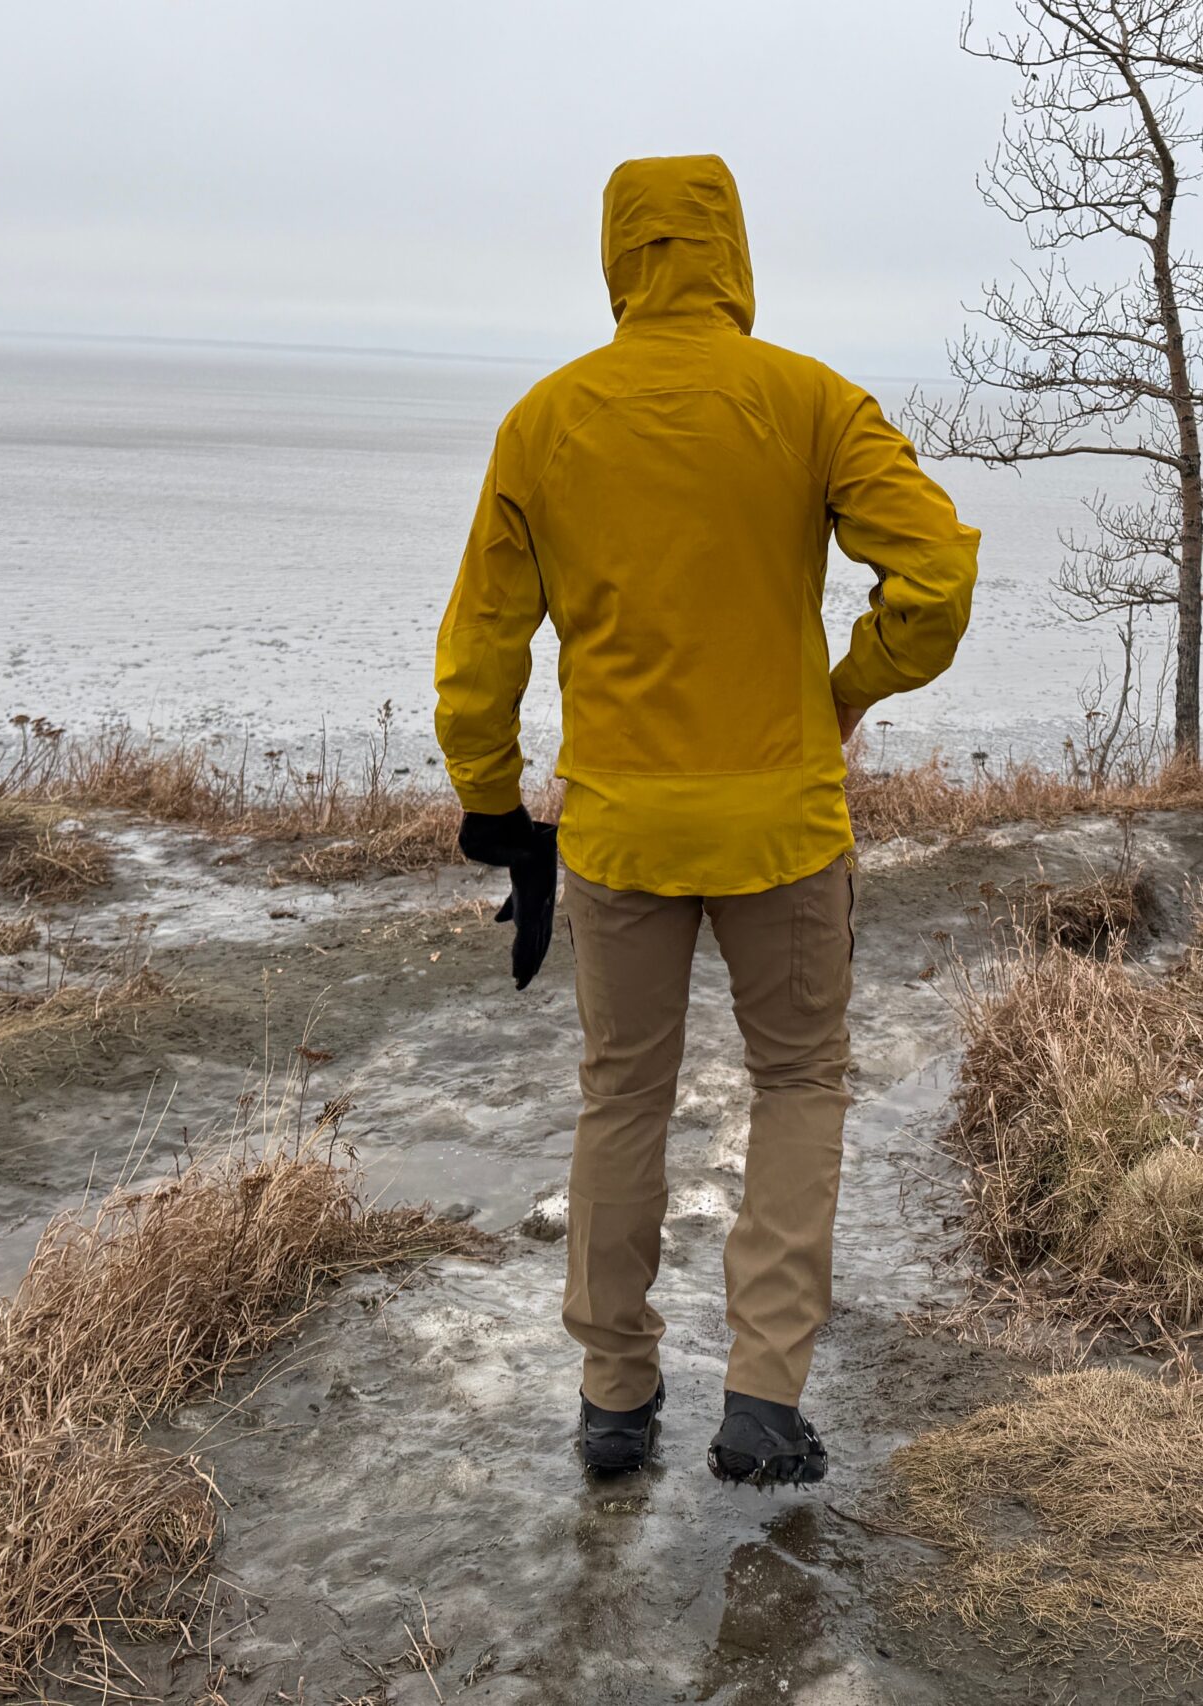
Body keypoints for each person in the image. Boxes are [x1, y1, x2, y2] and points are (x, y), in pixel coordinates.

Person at [432, 154, 979, 1485]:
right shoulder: (809, 400)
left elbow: (480, 654)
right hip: (783, 833)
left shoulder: (545, 422)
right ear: (733, 250)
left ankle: (616, 1398)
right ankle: (763, 1397)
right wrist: (845, 687)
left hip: (621, 838)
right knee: (798, 1083)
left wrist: (500, 812)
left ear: (619, 255)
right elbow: (941, 571)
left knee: (623, 1094)